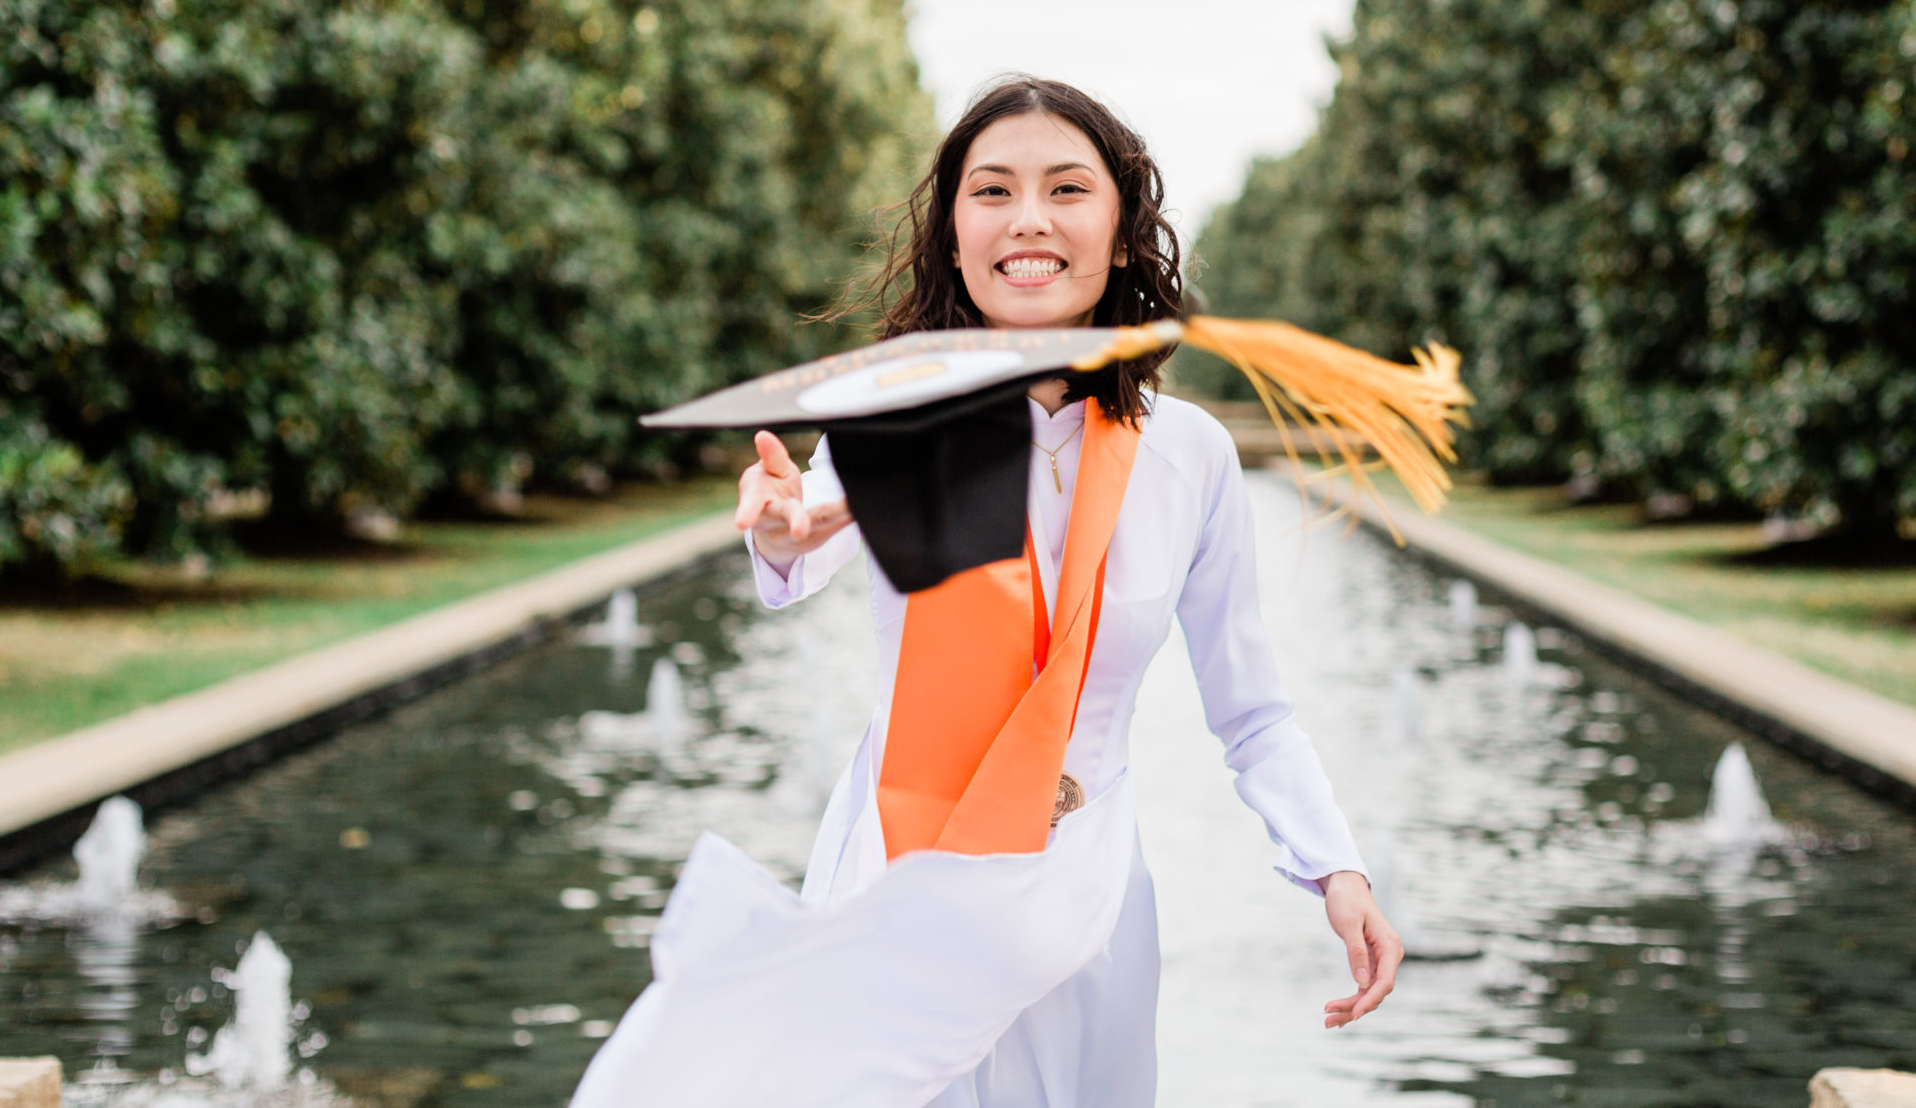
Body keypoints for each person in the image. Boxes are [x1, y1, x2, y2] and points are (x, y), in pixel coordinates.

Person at [574, 76, 1398, 1108]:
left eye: (1066, 189)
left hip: (1084, 891)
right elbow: (801, 553)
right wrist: (786, 530)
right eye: (992, 191)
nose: (1029, 221)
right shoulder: (892, 419)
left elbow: (1252, 709)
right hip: (907, 873)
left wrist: (1338, 870)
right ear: (954, 235)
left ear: (1123, 230)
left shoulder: (1187, 455)